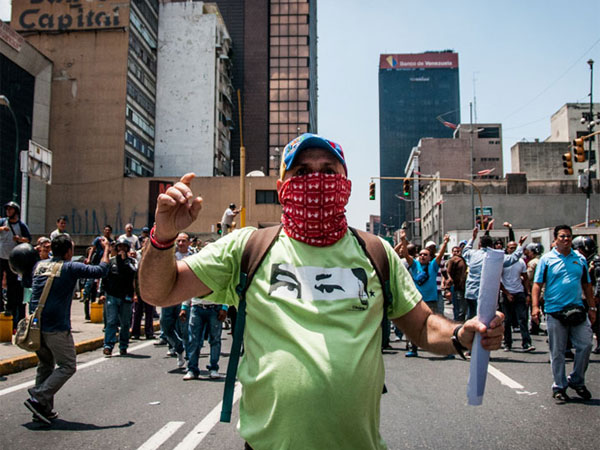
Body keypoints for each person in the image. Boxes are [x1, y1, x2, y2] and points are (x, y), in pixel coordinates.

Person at [139, 133, 505, 449]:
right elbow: (159, 291)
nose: (316, 180)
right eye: (301, 172)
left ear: (346, 184)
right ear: (282, 188)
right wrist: (163, 237)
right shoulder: (247, 248)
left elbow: (422, 325)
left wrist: (460, 335)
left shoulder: (376, 252)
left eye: (329, 171)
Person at [24, 235, 110, 424]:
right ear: (68, 252)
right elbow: (101, 270)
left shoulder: (39, 266)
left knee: (45, 365)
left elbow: (27, 282)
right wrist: (106, 249)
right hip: (56, 326)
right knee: (68, 365)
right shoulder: (70, 267)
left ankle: (42, 410)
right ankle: (39, 396)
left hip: (36, 325)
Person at [532, 225, 596, 403]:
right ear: (555, 239)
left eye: (568, 236)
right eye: (562, 236)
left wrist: (592, 308)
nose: (566, 239)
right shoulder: (547, 260)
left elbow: (587, 285)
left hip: (577, 310)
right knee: (558, 352)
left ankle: (576, 380)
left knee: (586, 345)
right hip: (555, 311)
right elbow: (537, 284)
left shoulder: (580, 259)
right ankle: (559, 386)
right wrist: (535, 307)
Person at [401, 234, 450, 357]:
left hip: (431, 300)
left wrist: (445, 242)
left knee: (437, 326)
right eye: (421, 254)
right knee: (415, 325)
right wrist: (403, 240)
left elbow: (440, 255)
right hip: (418, 301)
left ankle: (446, 349)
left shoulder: (433, 265)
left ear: (429, 257)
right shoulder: (414, 264)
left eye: (425, 255)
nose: (422, 256)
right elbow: (405, 255)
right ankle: (413, 349)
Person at [463, 226, 527, 319]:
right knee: (484, 320)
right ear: (492, 245)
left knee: (471, 318)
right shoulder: (495, 257)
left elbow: (465, 251)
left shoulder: (473, 254)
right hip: (485, 295)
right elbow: (513, 258)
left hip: (470, 292)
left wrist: (473, 238)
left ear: (480, 244)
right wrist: (520, 245)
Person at [99, 237, 137, 357]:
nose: (121, 249)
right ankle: (108, 346)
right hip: (112, 296)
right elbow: (104, 278)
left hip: (126, 297)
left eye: (124, 247)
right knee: (111, 321)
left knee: (125, 323)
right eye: (119, 247)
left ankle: (123, 346)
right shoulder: (111, 262)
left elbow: (134, 273)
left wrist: (125, 261)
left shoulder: (131, 262)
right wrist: (101, 294)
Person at [0, 202, 31, 326]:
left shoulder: (21, 225)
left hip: (12, 260)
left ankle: (12, 312)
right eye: (7, 209)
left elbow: (28, 239)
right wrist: (1, 229)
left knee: (13, 287)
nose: (8, 211)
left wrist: (19, 239)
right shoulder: (2, 222)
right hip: (1, 257)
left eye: (11, 209)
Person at [499, 241, 534, 352]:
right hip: (506, 294)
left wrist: (527, 293)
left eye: (514, 248)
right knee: (507, 320)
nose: (512, 250)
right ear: (507, 249)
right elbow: (498, 280)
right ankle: (507, 343)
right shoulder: (502, 262)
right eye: (510, 248)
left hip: (519, 293)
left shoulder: (521, 262)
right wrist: (507, 293)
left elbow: (525, 279)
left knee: (522, 319)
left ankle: (526, 343)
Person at [83, 225, 113, 320]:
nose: (107, 232)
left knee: (101, 288)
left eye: (109, 230)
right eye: (106, 230)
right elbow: (92, 248)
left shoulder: (111, 242)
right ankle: (85, 296)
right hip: (95, 265)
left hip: (104, 266)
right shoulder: (98, 239)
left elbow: (112, 251)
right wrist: (89, 258)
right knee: (89, 284)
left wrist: (107, 246)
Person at [524, 242, 544, 335]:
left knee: (534, 307)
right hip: (545, 289)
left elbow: (528, 276)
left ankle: (534, 327)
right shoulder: (544, 260)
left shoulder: (532, 263)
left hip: (535, 288)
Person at [446, 245, 468, 321]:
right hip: (456, 287)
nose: (456, 253)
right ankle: (457, 323)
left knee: (463, 309)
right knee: (459, 309)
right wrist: (447, 288)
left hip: (464, 287)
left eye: (458, 251)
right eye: (454, 251)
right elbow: (448, 273)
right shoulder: (452, 260)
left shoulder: (463, 260)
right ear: (452, 252)